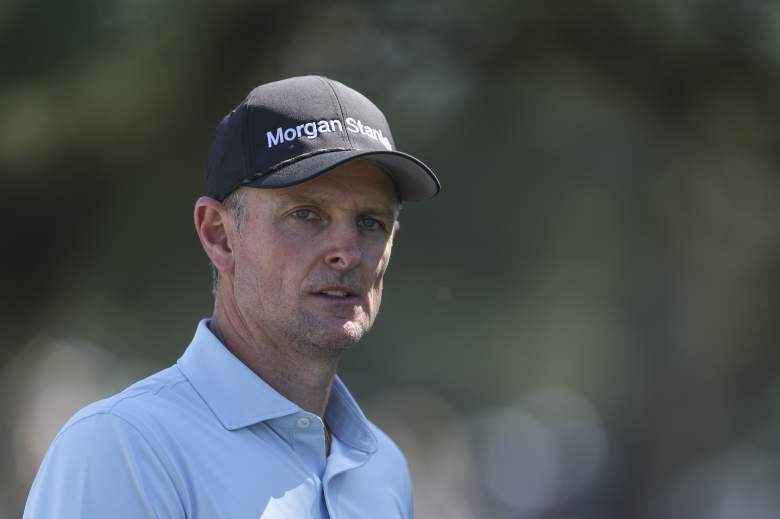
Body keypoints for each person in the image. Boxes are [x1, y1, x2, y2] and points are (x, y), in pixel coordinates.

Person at [23, 76, 440, 518]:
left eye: (371, 222)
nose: (349, 253)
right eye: (306, 214)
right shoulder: (126, 445)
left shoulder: (383, 469)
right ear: (219, 234)